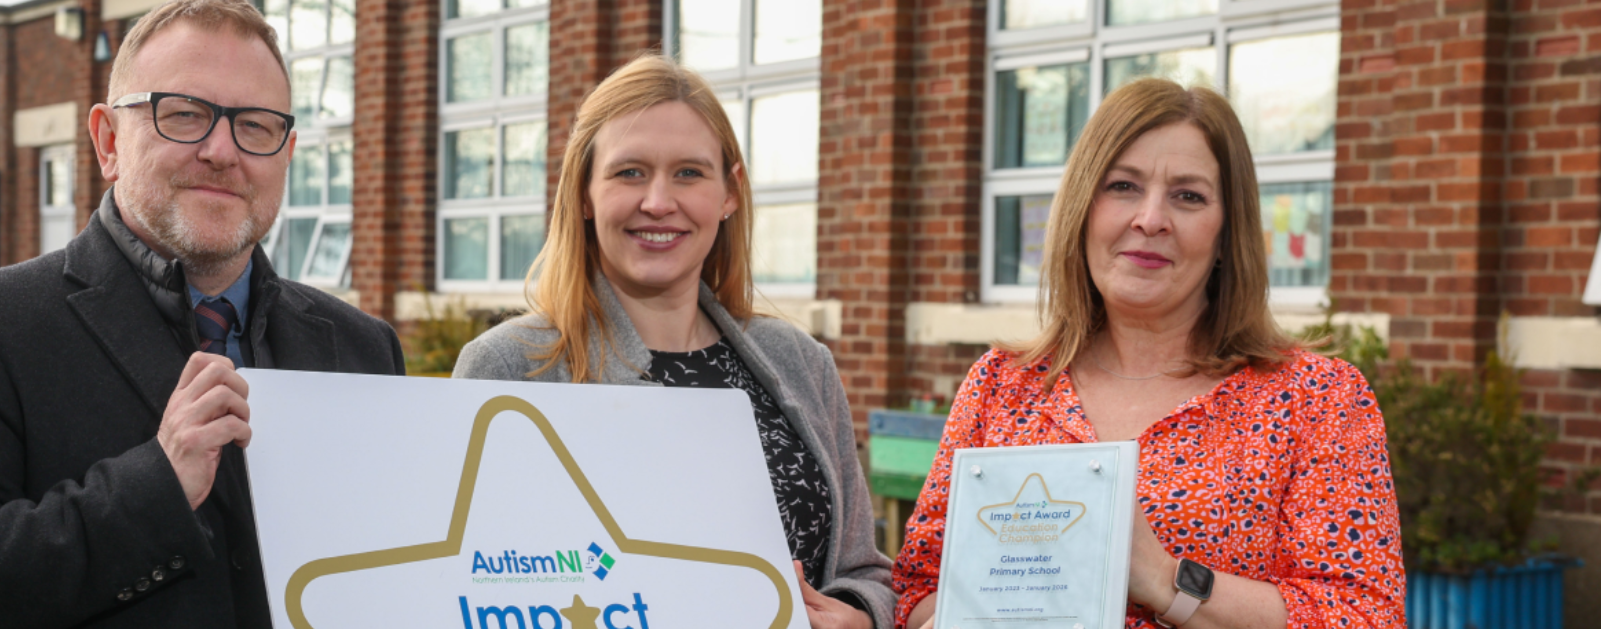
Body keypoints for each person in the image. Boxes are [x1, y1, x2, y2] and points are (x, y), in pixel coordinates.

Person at [0, 2, 404, 627]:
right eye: (185, 115)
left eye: (255, 125)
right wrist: (156, 489)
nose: (222, 151)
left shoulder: (365, 349)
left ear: (286, 153)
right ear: (109, 141)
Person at [891, 78, 1405, 629]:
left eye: (1188, 196)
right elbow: (916, 592)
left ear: (1227, 233)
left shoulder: (1316, 399)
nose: (1151, 218)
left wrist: (1161, 578)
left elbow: (1363, 615)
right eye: (1123, 186)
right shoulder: (1000, 386)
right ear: (1082, 208)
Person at [451, 54, 895, 629]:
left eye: (689, 173)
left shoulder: (802, 362)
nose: (659, 201)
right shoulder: (510, 367)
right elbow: (457, 584)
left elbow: (866, 569)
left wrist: (861, 616)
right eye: (629, 172)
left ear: (729, 194)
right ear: (584, 194)